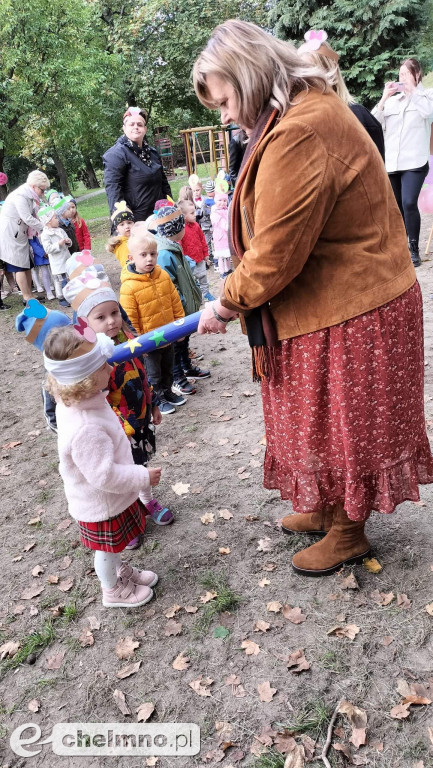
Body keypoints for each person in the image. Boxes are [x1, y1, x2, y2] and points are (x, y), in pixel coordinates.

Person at [193, 19, 433, 577]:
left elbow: (275, 254)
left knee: (341, 424)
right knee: (316, 420)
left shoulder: (302, 129)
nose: (223, 117)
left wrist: (224, 304)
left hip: (355, 305)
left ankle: (348, 532)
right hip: (332, 302)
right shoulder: (297, 115)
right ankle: (326, 507)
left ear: (249, 79)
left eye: (225, 102)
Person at [43, 324, 161, 608]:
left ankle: (119, 573)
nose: (111, 368)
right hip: (101, 504)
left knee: (113, 547)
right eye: (102, 366)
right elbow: (104, 475)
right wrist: (142, 476)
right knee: (107, 550)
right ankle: (112, 590)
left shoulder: (84, 401)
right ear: (85, 380)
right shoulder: (86, 426)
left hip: (108, 500)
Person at [63, 253, 174, 536]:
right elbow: (92, 399)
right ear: (84, 323)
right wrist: (118, 424)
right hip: (117, 428)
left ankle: (146, 501)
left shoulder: (128, 339)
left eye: (114, 313)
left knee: (141, 464)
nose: (112, 321)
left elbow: (142, 373)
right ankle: (129, 512)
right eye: (101, 317)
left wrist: (153, 404)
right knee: (124, 470)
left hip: (139, 418)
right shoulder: (91, 359)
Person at [372, 58, 433, 267]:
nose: (402, 78)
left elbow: (428, 113)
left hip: (415, 161)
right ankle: (401, 249)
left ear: (417, 75)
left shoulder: (427, 95)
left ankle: (414, 249)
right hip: (393, 163)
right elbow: (373, 123)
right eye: (400, 74)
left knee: (408, 202)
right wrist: (384, 97)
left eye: (406, 74)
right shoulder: (392, 101)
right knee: (397, 208)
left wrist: (413, 91)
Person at [120, 230, 187, 415]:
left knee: (168, 367)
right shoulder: (129, 286)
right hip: (148, 341)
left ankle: (168, 392)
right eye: (143, 255)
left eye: (152, 254)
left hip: (168, 334)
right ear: (131, 258)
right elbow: (129, 319)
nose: (149, 259)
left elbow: (175, 300)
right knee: (153, 373)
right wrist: (138, 342)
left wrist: (180, 327)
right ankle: (157, 398)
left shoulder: (162, 275)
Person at [297, 30, 385, 161]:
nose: (303, 81)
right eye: (299, 73)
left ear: (330, 73)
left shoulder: (358, 118)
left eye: (310, 72)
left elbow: (375, 170)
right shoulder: (296, 123)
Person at [154, 205, 209, 396]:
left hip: (185, 309)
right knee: (176, 346)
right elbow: (169, 285)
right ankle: (177, 378)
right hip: (177, 310)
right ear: (176, 228)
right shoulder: (164, 253)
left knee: (184, 341)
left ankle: (187, 367)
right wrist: (182, 302)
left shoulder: (174, 246)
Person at [103, 107, 172, 226]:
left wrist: (170, 207)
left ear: (145, 129)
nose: (136, 127)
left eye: (140, 124)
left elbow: (164, 184)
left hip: (159, 218)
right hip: (135, 222)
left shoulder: (152, 153)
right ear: (124, 128)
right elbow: (114, 190)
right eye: (131, 124)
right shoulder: (116, 154)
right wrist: (124, 221)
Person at [0, 170, 50, 302]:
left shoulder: (29, 194)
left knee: (27, 265)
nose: (43, 193)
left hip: (20, 234)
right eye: (42, 189)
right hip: (12, 234)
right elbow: (27, 218)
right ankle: (27, 298)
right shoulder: (21, 195)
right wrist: (44, 227)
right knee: (19, 266)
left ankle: (30, 295)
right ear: (34, 186)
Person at [178, 199, 215, 300]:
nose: (195, 215)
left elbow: (202, 239)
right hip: (190, 262)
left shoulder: (196, 225)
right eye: (192, 213)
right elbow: (180, 246)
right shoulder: (181, 229)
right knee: (193, 280)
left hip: (200, 258)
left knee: (203, 277)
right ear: (184, 216)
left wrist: (206, 253)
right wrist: (184, 259)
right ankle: (197, 297)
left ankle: (206, 293)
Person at [38, 206, 72, 307]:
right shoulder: (45, 234)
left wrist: (68, 241)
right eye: (56, 218)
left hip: (66, 258)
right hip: (58, 262)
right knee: (61, 280)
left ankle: (70, 294)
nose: (58, 219)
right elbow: (47, 249)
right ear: (48, 221)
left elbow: (67, 239)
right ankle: (61, 297)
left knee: (68, 277)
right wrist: (58, 244)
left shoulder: (60, 230)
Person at [106, 201, 135, 269]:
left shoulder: (136, 239)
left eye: (129, 223)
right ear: (117, 229)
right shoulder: (122, 245)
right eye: (122, 224)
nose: (127, 226)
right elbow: (128, 265)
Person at [210, 193, 232, 277]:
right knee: (221, 255)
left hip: (227, 235)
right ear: (215, 200)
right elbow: (221, 223)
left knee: (227, 254)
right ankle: (222, 272)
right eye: (220, 200)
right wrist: (229, 227)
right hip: (220, 236)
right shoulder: (215, 212)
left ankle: (228, 269)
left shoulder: (226, 210)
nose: (222, 203)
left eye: (225, 200)